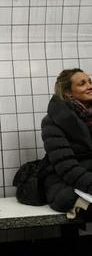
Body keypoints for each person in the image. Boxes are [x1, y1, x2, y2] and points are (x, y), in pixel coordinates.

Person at [39, 68, 92, 218]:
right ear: (68, 93)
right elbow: (66, 166)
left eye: (90, 82)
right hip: (63, 180)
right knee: (66, 198)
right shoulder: (52, 122)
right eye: (82, 84)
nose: (90, 86)